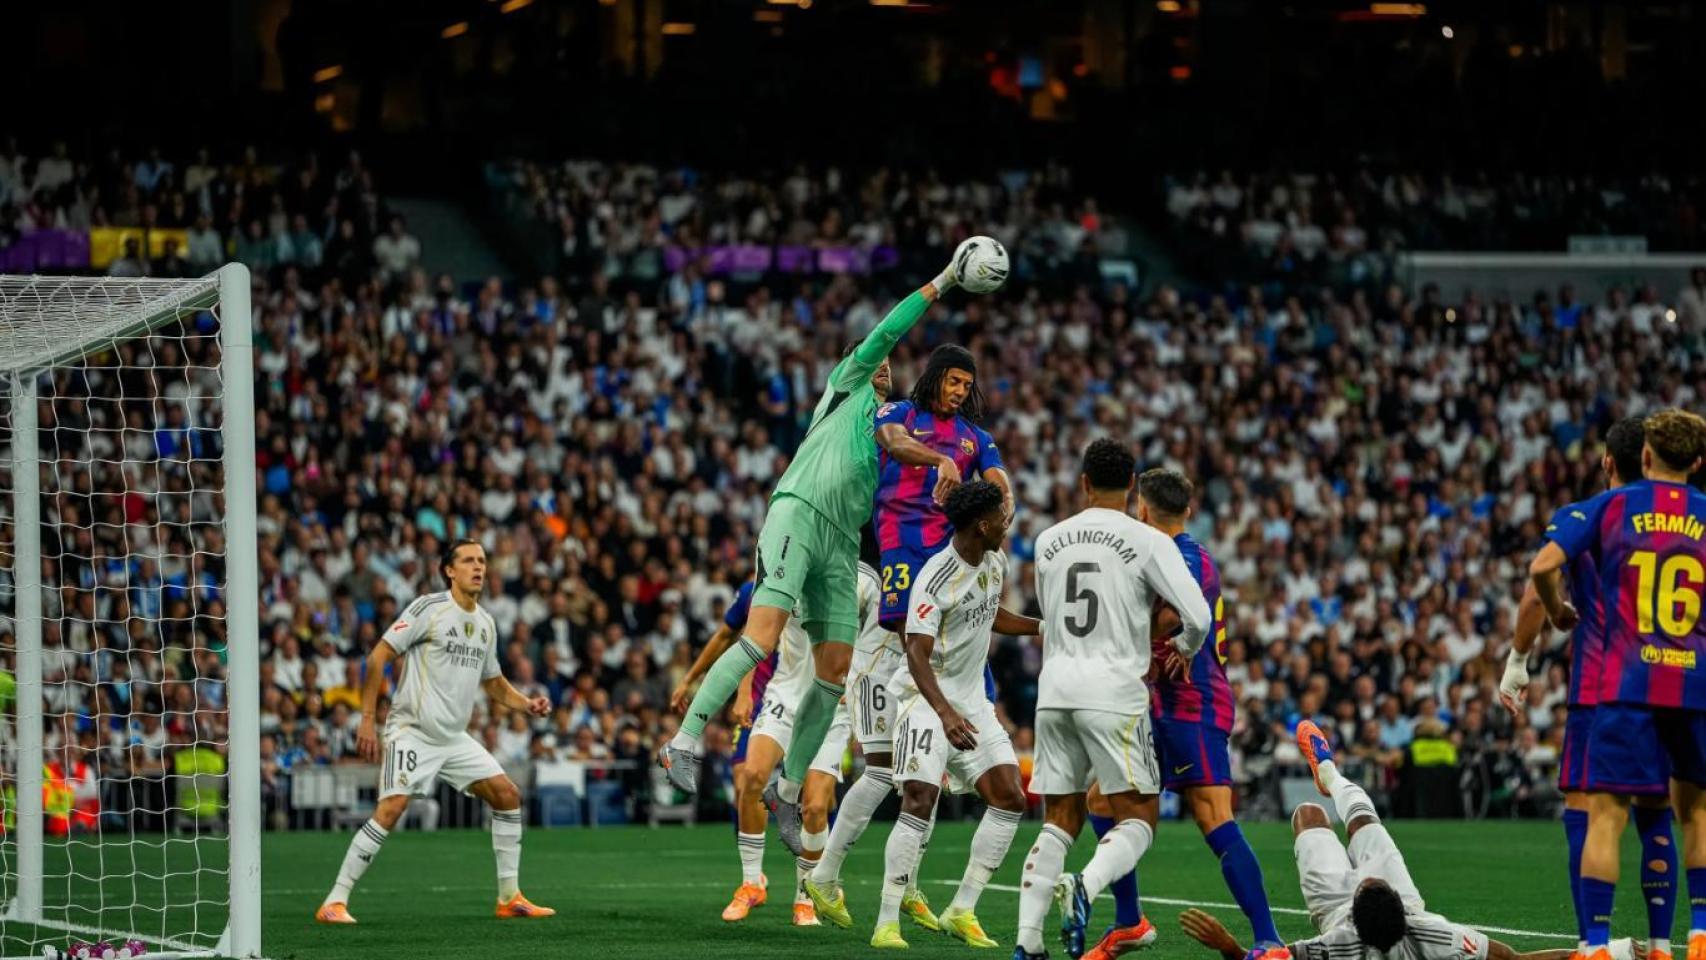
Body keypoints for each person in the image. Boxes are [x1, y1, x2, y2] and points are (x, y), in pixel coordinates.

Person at [663, 247, 989, 835]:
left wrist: (945, 461)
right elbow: (889, 329)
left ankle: (786, 794)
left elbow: (900, 445)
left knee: (834, 671)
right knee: (761, 637)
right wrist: (942, 282)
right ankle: (683, 741)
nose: (886, 365)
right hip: (799, 515)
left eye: (890, 364)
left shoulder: (887, 419)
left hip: (841, 543)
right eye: (878, 360)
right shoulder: (849, 385)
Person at [1013, 439, 1211, 960]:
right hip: (1114, 692)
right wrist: (1183, 650)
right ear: (1132, 488)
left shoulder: (1048, 539)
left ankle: (1026, 945)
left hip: (1054, 691)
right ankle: (1087, 885)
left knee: (1059, 820)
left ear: (1083, 483)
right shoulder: (1147, 540)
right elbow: (1199, 616)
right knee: (1140, 819)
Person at [1079, 468, 1287, 960]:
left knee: (1213, 814)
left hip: (1192, 701)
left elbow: (1174, 617)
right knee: (1103, 801)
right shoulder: (1176, 553)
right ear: (1188, 510)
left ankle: (1269, 939)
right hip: (1160, 702)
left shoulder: (1181, 557)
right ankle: (1129, 922)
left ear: (1143, 511)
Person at [1529, 409, 1706, 960]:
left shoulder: (1611, 505)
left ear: (1644, 455)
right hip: (1693, 685)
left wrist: (1558, 611)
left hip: (1628, 683)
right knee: (1694, 812)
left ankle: (1598, 947)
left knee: (1606, 815)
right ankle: (1698, 936)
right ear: (1698, 463)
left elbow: (1543, 566)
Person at [1177, 719, 1577, 960]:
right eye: (1374, 881)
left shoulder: (1336, 942)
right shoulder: (1436, 936)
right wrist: (1604, 950)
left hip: (1334, 907)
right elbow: (1519, 958)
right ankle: (1329, 773)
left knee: (1308, 814)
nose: (1366, 875)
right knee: (1364, 819)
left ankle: (1330, 778)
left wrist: (1229, 947)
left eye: (1367, 883)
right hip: (1388, 906)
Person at [315, 540, 554, 924]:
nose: (478, 567)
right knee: (391, 809)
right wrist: (366, 720)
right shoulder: (429, 608)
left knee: (507, 795)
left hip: (453, 737)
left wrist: (527, 703)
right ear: (449, 570)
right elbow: (378, 657)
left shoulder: (486, 624)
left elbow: (493, 683)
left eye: (482, 561)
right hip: (412, 730)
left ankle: (510, 898)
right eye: (469, 561)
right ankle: (334, 901)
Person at [870, 480, 1040, 950]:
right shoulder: (935, 578)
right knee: (920, 799)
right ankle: (887, 921)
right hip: (926, 702)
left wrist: (1042, 628)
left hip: (971, 703)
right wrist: (943, 713)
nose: (1007, 526)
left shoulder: (994, 561)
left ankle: (962, 909)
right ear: (981, 525)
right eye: (1001, 520)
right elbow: (916, 652)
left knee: (1009, 795)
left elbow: (991, 613)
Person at [805, 529, 941, 935]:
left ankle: (911, 886)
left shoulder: (917, 563)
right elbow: (838, 621)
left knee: (928, 776)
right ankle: (824, 875)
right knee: (881, 774)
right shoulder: (866, 572)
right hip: (875, 676)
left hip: (910, 674)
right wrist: (836, 673)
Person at [668, 578, 783, 918]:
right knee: (744, 782)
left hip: (801, 698)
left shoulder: (813, 585)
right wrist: (690, 678)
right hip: (759, 703)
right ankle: (753, 878)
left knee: (820, 796)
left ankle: (817, 883)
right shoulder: (752, 592)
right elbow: (727, 638)